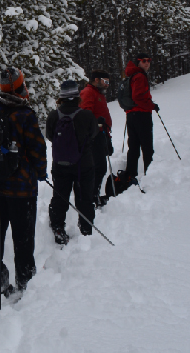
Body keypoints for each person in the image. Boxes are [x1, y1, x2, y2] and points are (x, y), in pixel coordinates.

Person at [0, 68, 47, 296]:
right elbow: (37, 147)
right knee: (23, 235)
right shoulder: (25, 114)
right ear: (20, 88)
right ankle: (25, 280)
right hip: (21, 188)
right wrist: (40, 171)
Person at [46, 80, 98, 244]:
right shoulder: (87, 115)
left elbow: (49, 135)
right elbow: (93, 134)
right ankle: (86, 230)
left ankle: (58, 229)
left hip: (60, 164)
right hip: (84, 164)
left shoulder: (53, 116)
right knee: (85, 198)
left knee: (60, 197)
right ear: (77, 96)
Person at [107, 52, 158, 199]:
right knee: (147, 147)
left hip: (131, 115)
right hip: (142, 115)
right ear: (138, 63)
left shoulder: (131, 75)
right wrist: (152, 105)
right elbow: (138, 97)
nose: (147, 63)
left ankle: (130, 176)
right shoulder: (140, 76)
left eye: (149, 60)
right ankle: (151, 176)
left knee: (134, 147)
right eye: (144, 61)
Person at [79, 70, 114, 206]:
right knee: (98, 168)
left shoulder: (98, 93)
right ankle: (92, 197)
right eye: (105, 81)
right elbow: (86, 114)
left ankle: (94, 195)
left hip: (101, 134)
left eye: (108, 82)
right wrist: (96, 127)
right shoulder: (88, 92)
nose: (107, 85)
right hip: (93, 137)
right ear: (96, 80)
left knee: (100, 167)